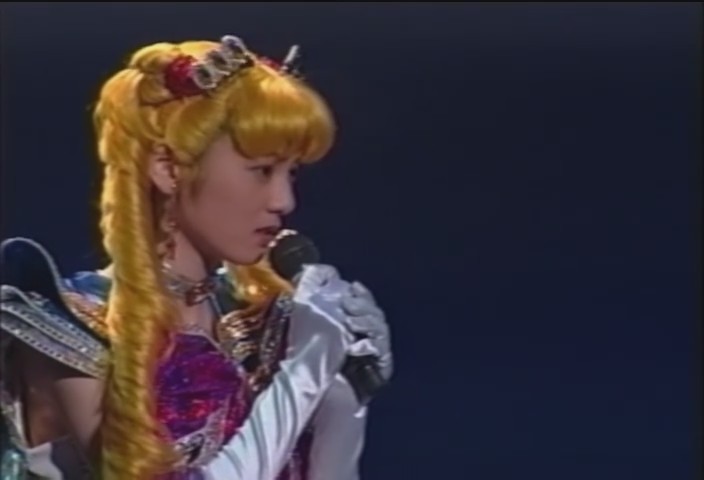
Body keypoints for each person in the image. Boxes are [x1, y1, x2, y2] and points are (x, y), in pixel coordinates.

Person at [0, 34, 393, 479]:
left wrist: (344, 397)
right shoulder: (73, 324)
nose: (284, 201)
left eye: (292, 173)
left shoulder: (259, 323)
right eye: (262, 170)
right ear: (169, 169)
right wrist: (304, 371)